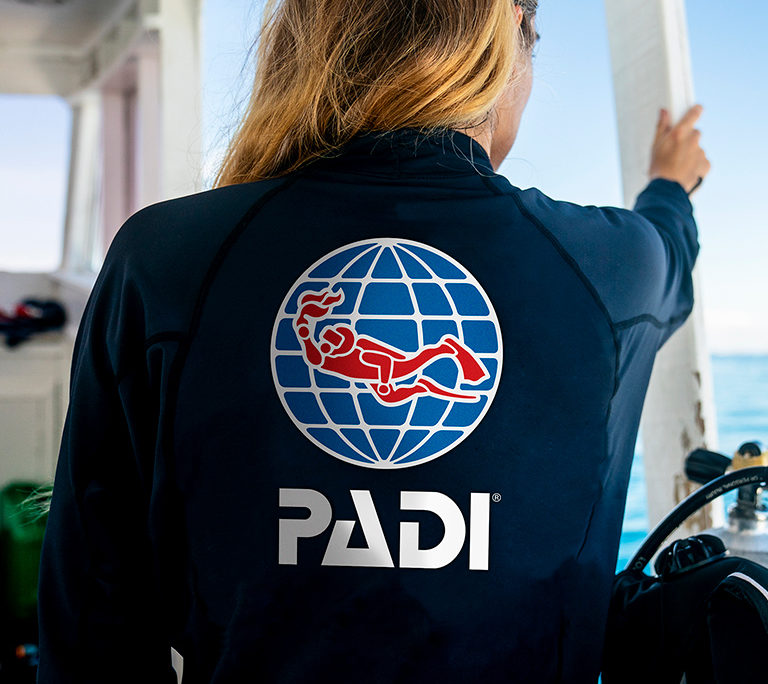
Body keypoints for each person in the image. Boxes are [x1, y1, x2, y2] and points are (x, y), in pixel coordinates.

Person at [36, 0, 710, 682]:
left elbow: (93, 628)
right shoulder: (611, 272)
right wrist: (670, 185)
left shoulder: (161, 261)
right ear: (505, 41)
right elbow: (670, 247)